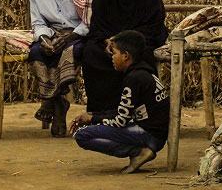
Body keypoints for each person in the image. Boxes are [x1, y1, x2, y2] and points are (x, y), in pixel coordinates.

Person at [76, 0, 167, 116]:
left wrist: (126, 41)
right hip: (109, 41)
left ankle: (139, 110)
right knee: (91, 52)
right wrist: (109, 40)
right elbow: (98, 22)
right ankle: (101, 111)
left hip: (139, 41)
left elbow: (154, 25)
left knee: (143, 56)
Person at [71, 30, 169, 173]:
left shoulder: (134, 79)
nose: (111, 57)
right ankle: (140, 150)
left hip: (149, 135)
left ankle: (139, 152)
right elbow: (123, 111)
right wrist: (93, 115)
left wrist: (93, 119)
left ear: (125, 56)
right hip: (157, 134)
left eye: (114, 53)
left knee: (82, 135)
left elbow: (120, 121)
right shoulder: (145, 72)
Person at [26, 0, 93, 136]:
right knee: (36, 52)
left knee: (73, 51)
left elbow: (89, 20)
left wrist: (69, 37)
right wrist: (44, 39)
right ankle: (58, 104)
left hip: (79, 33)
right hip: (53, 33)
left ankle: (51, 104)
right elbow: (37, 22)